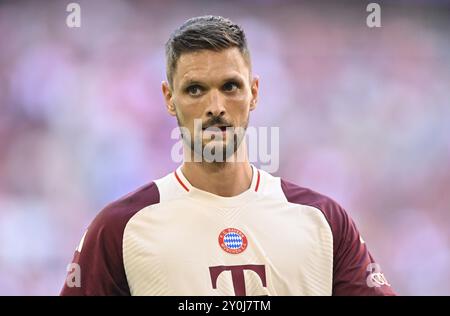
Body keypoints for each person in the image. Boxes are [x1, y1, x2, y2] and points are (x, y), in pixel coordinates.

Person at [60, 15, 395, 296]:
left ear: (254, 92)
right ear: (168, 98)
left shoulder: (323, 220)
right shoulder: (120, 228)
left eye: (230, 86)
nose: (215, 107)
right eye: (195, 90)